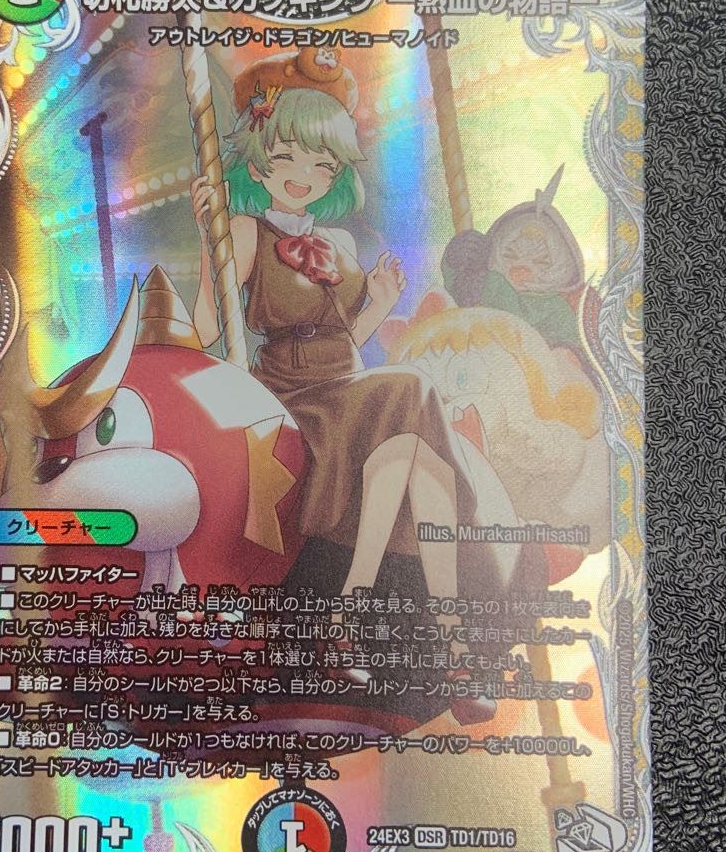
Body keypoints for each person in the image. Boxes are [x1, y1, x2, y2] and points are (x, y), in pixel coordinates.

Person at [189, 48, 508, 723]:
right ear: (258, 163)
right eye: (286, 158)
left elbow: (346, 337)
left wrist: (381, 305)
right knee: (409, 393)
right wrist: (206, 246)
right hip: (294, 401)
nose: (302, 175)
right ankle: (415, 636)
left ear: (335, 172)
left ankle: (412, 635)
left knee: (416, 459)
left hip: (351, 387)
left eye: (320, 164)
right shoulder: (243, 231)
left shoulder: (338, 241)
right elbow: (205, 329)